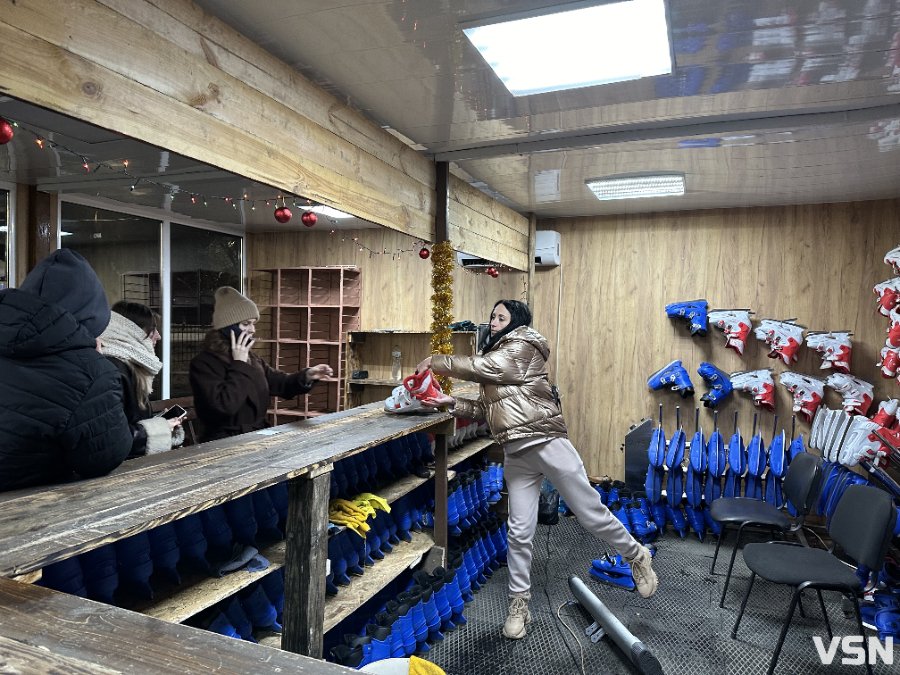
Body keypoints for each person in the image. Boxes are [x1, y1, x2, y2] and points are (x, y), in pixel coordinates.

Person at [416, 299, 658, 640]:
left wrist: (438, 361)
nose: (494, 321)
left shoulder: (522, 345)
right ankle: (519, 605)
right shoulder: (497, 356)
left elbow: (493, 368)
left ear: (516, 322)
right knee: (519, 532)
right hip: (516, 452)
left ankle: (636, 555)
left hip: (546, 441)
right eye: (492, 316)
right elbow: (489, 410)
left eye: (501, 317)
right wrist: (453, 403)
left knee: (590, 513)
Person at [0, 248, 133, 491]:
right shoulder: (91, 374)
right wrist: (93, 362)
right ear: (92, 317)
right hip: (24, 507)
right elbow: (105, 456)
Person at [189, 286, 334, 441]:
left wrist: (307, 376)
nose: (252, 330)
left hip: (256, 436)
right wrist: (239, 364)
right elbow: (224, 406)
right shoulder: (203, 364)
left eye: (253, 323)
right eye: (246, 324)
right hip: (222, 442)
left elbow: (280, 383)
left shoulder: (251, 357)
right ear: (228, 328)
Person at [100, 301, 185, 457]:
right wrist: (160, 428)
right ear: (133, 331)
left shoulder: (129, 367)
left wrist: (160, 423)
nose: (158, 336)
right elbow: (115, 437)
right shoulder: (114, 370)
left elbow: (129, 421)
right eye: (152, 329)